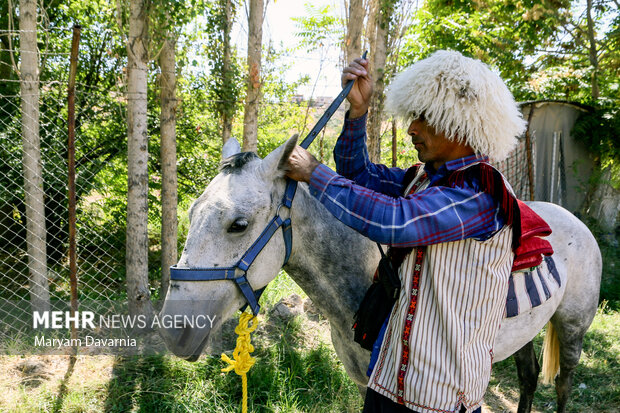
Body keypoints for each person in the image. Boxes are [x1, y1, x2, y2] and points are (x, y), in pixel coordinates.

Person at [285, 50, 527, 413]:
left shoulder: (480, 194)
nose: (412, 128)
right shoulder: (425, 180)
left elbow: (395, 222)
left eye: (425, 117)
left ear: (461, 121)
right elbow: (357, 174)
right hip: (387, 381)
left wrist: (314, 173)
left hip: (440, 399)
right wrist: (358, 111)